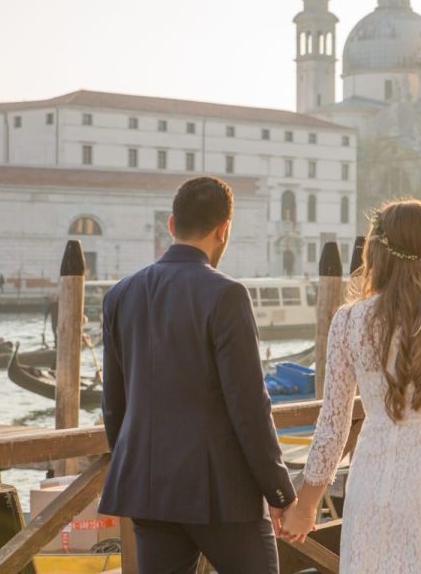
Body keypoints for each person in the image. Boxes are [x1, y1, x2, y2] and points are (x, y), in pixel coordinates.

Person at [281, 199, 421, 573]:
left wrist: (305, 506)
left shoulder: (348, 321)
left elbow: (333, 427)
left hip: (371, 480)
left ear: (376, 253)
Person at [99, 176, 295, 574]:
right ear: (224, 229)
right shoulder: (227, 293)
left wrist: (138, 466)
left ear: (171, 226)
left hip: (149, 489)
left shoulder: (120, 295)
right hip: (222, 494)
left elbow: (114, 405)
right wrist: (279, 490)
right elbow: (249, 406)